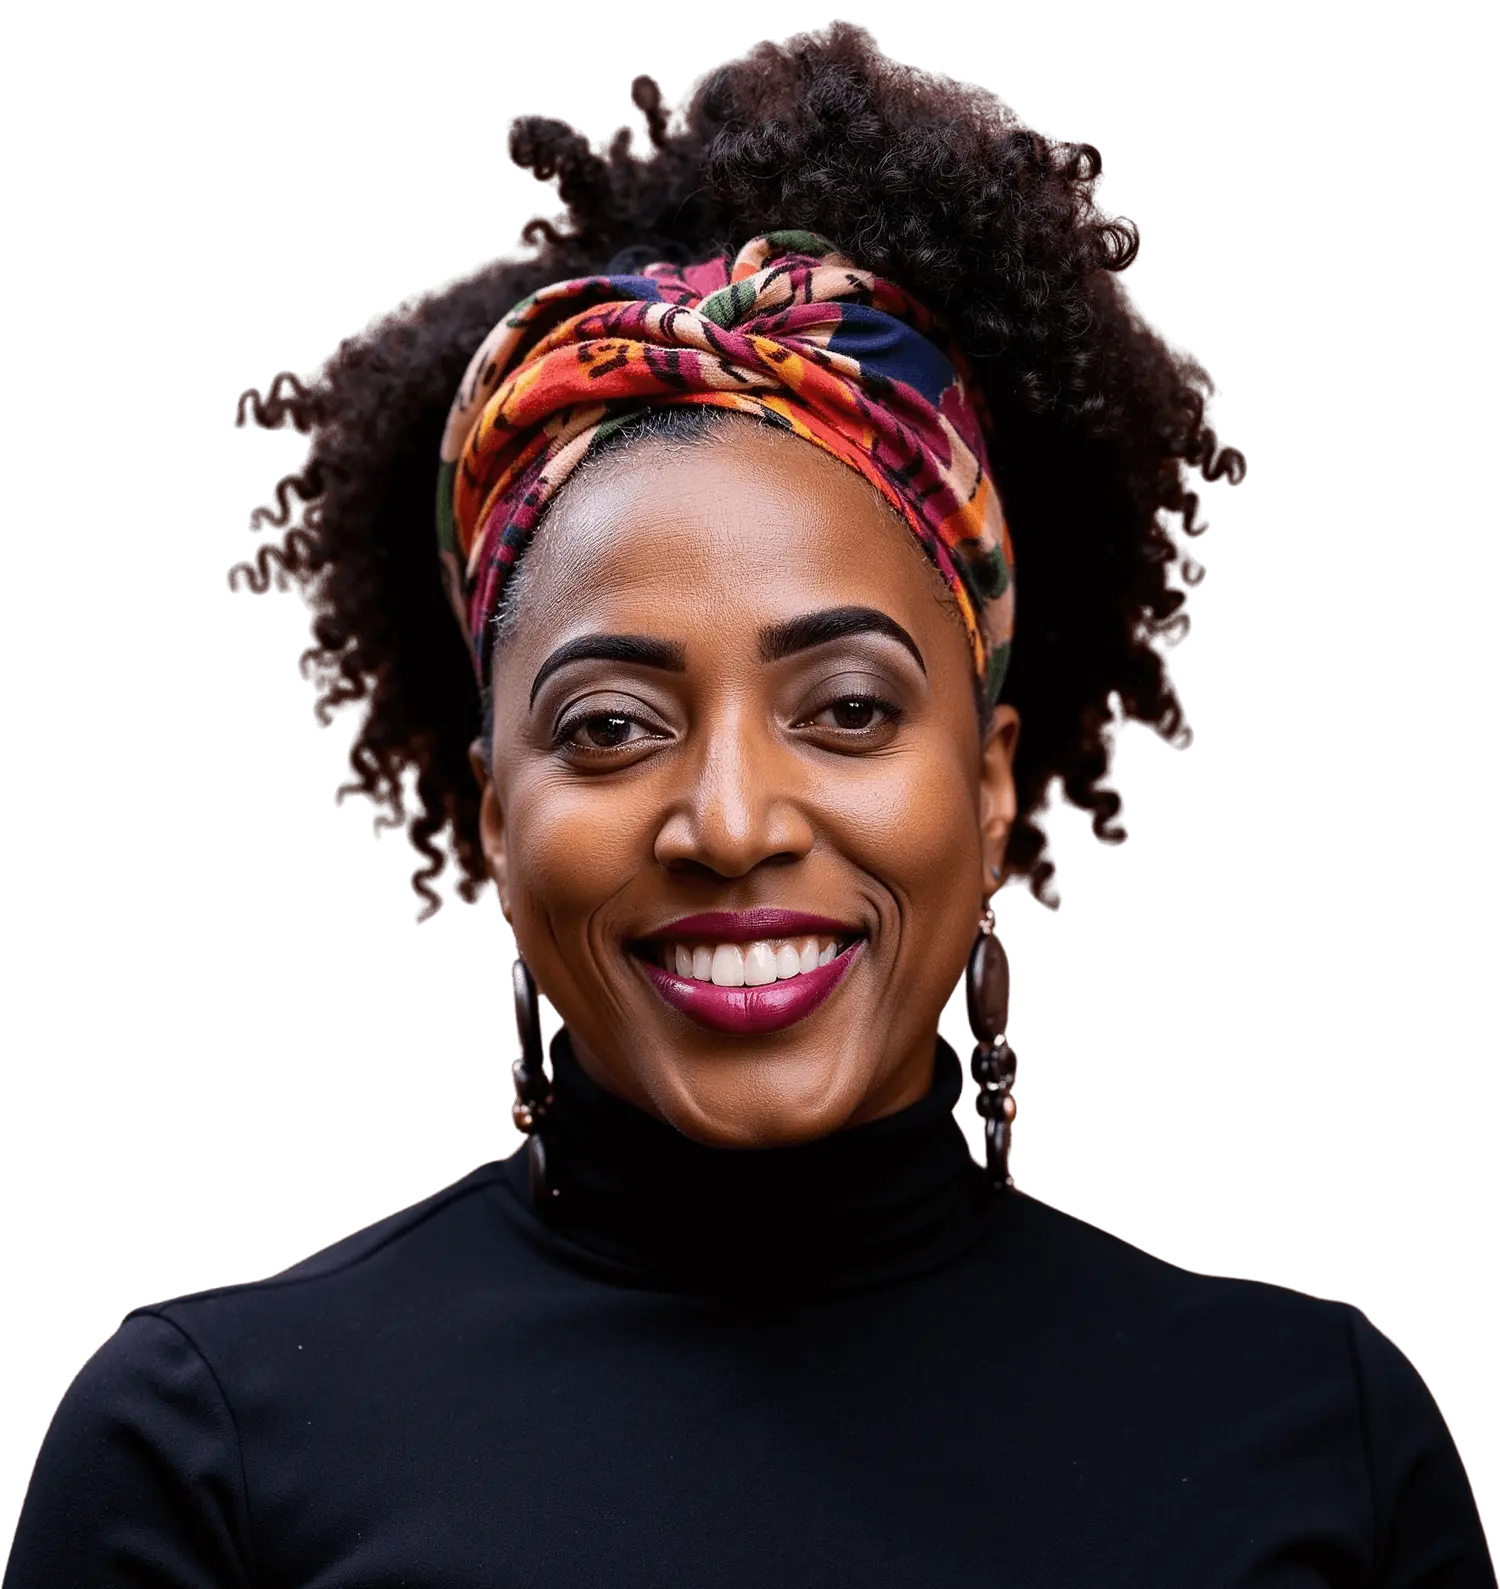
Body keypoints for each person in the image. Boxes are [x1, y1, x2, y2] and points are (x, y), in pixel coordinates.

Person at [7, 24, 1493, 1586]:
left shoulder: (1319, 1443)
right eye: (611, 726)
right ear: (495, 820)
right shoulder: (207, 1460)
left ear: (988, 787)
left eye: (847, 710)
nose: (727, 821)